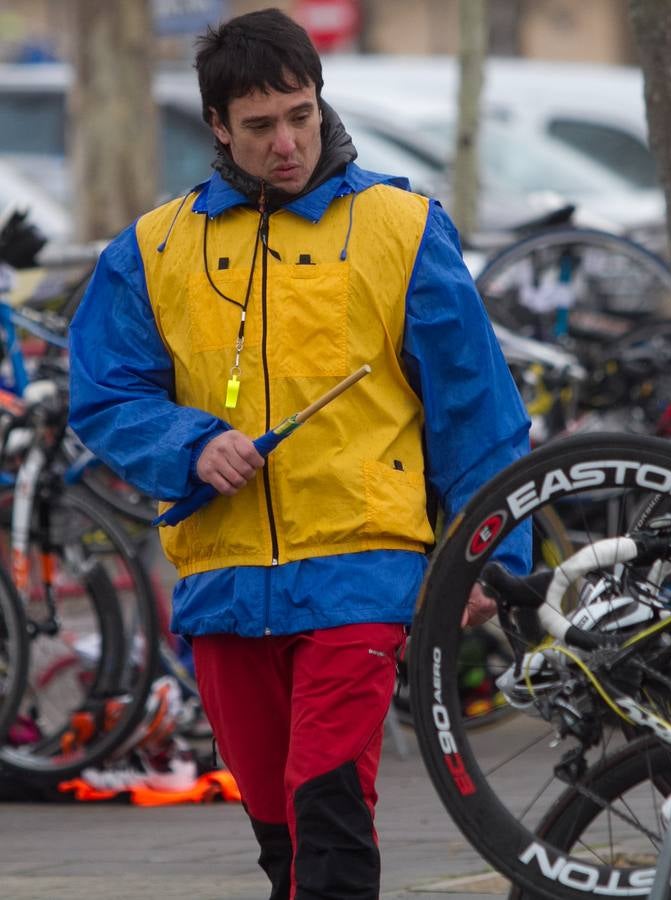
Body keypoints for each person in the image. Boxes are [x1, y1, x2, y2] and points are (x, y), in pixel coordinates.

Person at [67, 8, 530, 899]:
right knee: (277, 830)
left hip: (363, 573)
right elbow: (107, 393)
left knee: (329, 809)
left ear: (321, 103)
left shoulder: (402, 227)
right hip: (223, 579)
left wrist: (494, 556)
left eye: (301, 115)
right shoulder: (153, 248)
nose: (287, 143)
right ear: (216, 127)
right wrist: (192, 446)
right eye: (260, 125)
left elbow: (477, 413)